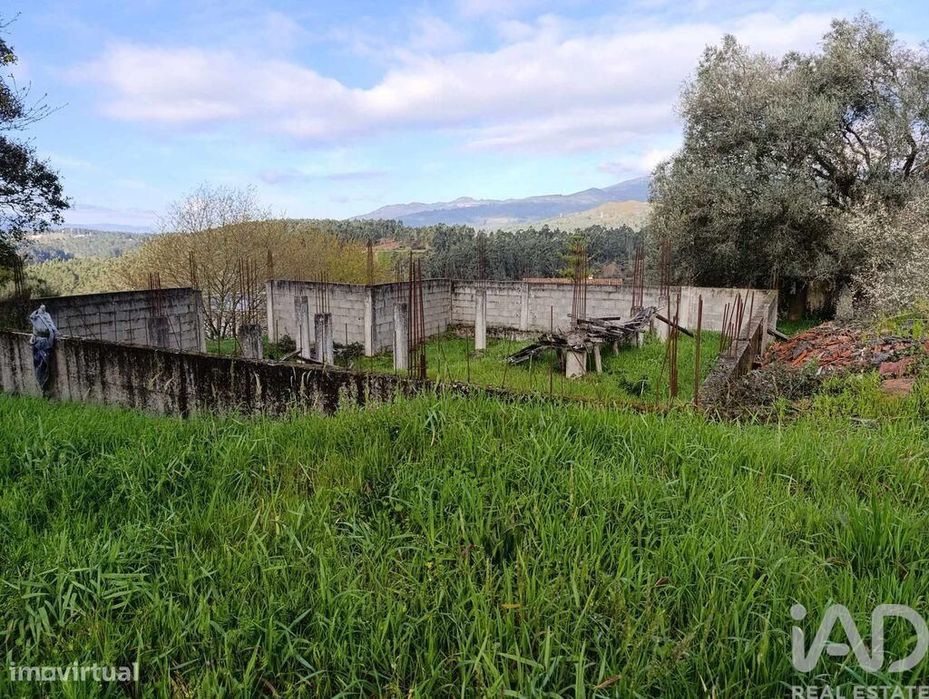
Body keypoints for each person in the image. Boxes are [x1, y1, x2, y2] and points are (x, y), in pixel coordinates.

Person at [28, 305, 58, 394]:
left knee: (42, 367)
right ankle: (44, 389)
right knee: (42, 367)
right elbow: (51, 331)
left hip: (40, 344)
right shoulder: (37, 317)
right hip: (42, 344)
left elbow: (51, 330)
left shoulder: (42, 317)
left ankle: (44, 389)